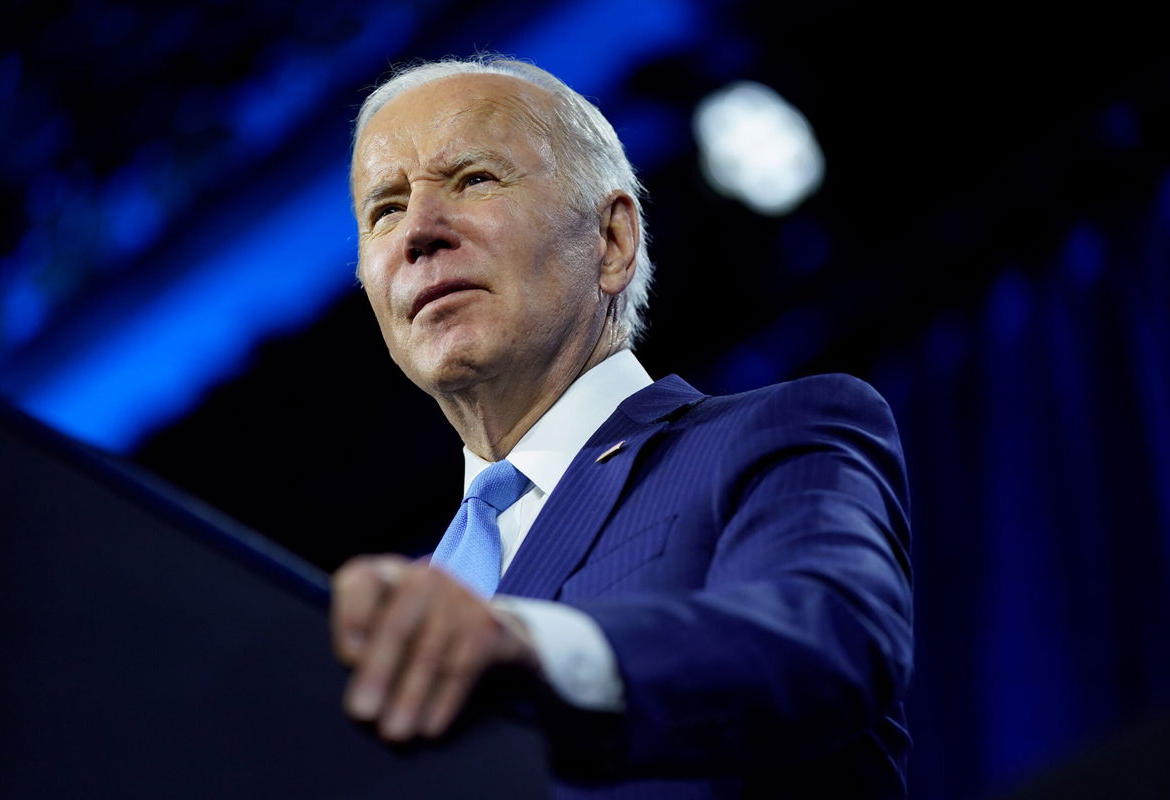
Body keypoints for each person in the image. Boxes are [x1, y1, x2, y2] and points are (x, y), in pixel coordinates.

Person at [331, 55, 913, 798]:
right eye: (384, 208)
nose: (418, 232)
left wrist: (530, 647)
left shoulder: (773, 436)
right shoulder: (403, 607)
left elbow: (831, 634)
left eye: (473, 179)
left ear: (610, 242)